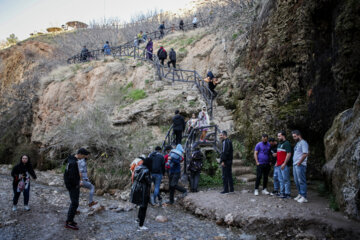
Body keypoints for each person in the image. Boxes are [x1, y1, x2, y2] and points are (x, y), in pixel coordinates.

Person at [63, 148, 89, 230]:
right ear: (80, 154)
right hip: (73, 186)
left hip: (73, 186)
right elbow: (70, 176)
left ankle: (70, 220)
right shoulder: (73, 163)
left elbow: (66, 175)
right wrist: (76, 185)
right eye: (84, 156)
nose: (84, 157)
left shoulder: (71, 160)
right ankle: (69, 222)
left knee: (75, 203)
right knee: (74, 203)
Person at [130, 157, 152, 231]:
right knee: (144, 207)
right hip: (143, 189)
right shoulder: (147, 170)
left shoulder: (138, 167)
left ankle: (138, 219)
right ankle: (141, 225)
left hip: (136, 188)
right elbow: (148, 181)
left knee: (140, 205)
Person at [273, 131, 292, 199]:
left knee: (286, 179)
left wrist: (284, 163)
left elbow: (289, 154)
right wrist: (276, 159)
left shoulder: (287, 143)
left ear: (283, 136)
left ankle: (287, 194)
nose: (278, 137)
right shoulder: (279, 144)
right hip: (278, 164)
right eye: (278, 136)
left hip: (284, 165)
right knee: (280, 179)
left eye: (279, 136)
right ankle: (282, 193)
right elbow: (280, 154)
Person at [292, 130, 309, 203]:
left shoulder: (303, 143)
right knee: (296, 181)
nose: (294, 138)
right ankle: (300, 194)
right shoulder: (298, 143)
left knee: (301, 181)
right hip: (295, 164)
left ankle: (304, 197)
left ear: (299, 135)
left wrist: (299, 162)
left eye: (295, 136)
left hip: (300, 164)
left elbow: (305, 153)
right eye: (293, 137)